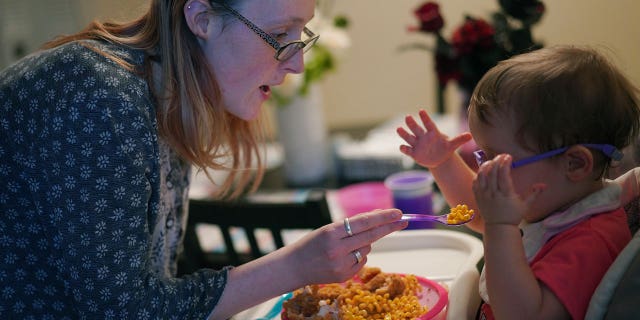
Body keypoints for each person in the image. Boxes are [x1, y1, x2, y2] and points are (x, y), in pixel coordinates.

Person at [0, 0, 408, 319]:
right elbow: (123, 311)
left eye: (301, 33)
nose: (298, 62)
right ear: (202, 19)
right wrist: (296, 266)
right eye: (280, 33)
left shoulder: (163, 95)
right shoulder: (100, 98)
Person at [397, 45, 640, 319]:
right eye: (483, 155)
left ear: (575, 164)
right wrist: (442, 162)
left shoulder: (591, 240)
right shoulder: (551, 200)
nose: (486, 169)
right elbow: (478, 211)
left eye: (497, 158)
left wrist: (500, 225)